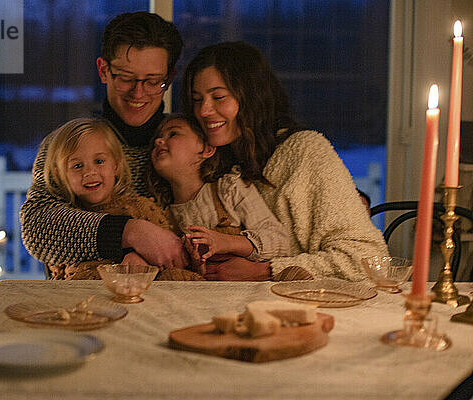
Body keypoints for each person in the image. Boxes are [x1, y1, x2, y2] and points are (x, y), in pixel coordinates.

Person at [182, 41, 389, 281]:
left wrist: (266, 270)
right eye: (197, 99)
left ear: (252, 97)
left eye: (218, 97)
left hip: (305, 308)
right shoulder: (209, 159)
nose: (204, 110)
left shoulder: (304, 152)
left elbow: (366, 259)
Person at [20, 12, 190, 270]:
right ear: (103, 70)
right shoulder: (68, 143)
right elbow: (38, 225)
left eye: (153, 81)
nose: (138, 92)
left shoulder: (185, 142)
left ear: (169, 79)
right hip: (87, 299)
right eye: (125, 78)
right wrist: (130, 231)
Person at [41, 118, 202, 281]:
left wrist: (142, 260)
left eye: (99, 161)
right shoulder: (64, 221)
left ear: (116, 166)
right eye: (77, 166)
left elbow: (172, 254)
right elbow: (62, 280)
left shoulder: (140, 208)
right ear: (59, 174)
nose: (89, 172)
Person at [149, 114, 296, 280]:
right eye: (157, 138)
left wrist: (224, 242)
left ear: (206, 149)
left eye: (173, 133)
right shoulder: (162, 215)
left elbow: (280, 241)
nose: (158, 141)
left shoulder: (229, 189)